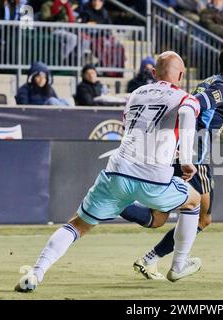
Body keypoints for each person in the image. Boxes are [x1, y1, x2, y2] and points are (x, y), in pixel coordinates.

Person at [14, 51, 202, 292]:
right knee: (193, 201)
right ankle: (178, 265)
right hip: (154, 178)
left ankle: (36, 273)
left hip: (117, 172)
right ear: (182, 75)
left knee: (76, 225)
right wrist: (185, 159)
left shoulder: (135, 94)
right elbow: (185, 114)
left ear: (153, 73)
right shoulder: (186, 97)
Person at [119, 44, 223, 280]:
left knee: (157, 218)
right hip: (195, 159)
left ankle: (120, 208)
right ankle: (167, 263)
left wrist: (213, 130)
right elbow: (193, 106)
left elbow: (197, 110)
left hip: (178, 153)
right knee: (203, 217)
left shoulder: (211, 81)